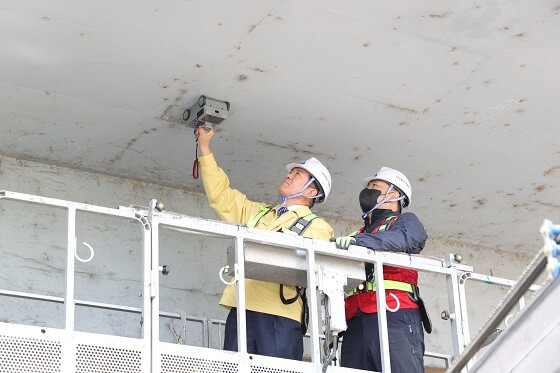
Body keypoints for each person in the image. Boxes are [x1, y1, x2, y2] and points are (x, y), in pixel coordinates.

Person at [195, 126, 334, 360]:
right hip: (243, 307)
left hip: (279, 313)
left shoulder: (318, 226)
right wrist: (205, 148)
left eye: (298, 174)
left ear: (311, 191)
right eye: (291, 173)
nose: (288, 175)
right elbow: (222, 196)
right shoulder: (259, 214)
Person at [333, 167, 430, 373]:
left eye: (375, 186)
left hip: (393, 315)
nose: (368, 190)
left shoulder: (405, 222)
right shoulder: (357, 234)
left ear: (394, 195)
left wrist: (359, 242)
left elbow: (404, 239)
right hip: (354, 321)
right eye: (368, 186)